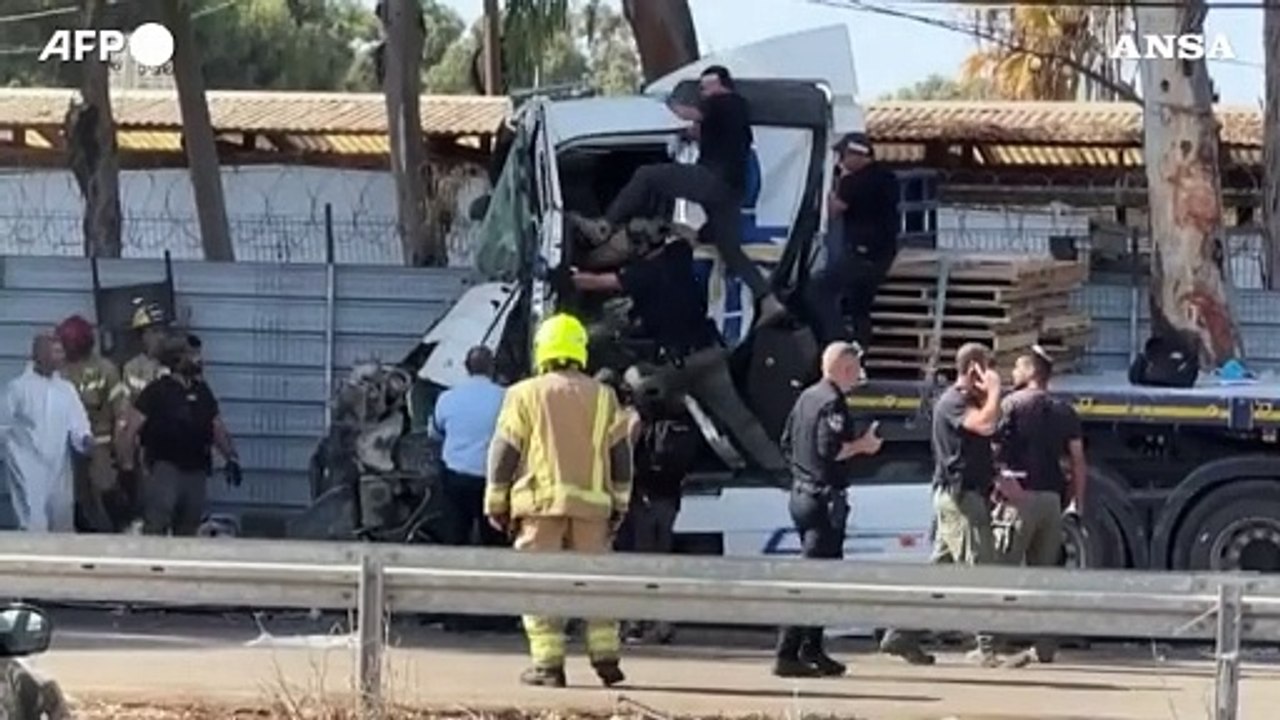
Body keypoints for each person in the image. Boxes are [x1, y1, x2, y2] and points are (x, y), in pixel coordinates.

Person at [484, 314, 633, 689]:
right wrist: (621, 503)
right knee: (597, 583)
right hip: (592, 509)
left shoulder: (524, 394)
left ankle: (548, 666)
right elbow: (621, 455)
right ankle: (606, 656)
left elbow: (504, 451)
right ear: (580, 350)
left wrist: (495, 500)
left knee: (539, 583)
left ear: (542, 350)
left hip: (540, 508)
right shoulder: (604, 397)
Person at [574, 65, 787, 327]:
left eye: (706, 85)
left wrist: (662, 105)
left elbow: (688, 114)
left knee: (647, 175)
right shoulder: (733, 115)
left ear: (721, 83)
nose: (703, 90)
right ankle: (767, 299)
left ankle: (603, 224)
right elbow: (703, 131)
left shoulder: (725, 101)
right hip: (731, 192)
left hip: (712, 180)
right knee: (730, 250)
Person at [572, 222, 786, 473]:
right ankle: (779, 470)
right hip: (710, 354)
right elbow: (690, 236)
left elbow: (596, 283)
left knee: (632, 398)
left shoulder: (640, 275)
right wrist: (667, 226)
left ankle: (614, 470)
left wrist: (566, 275)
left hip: (676, 369)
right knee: (741, 420)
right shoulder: (679, 255)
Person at [880, 342, 1003, 667]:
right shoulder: (953, 402)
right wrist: (994, 390)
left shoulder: (967, 401)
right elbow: (982, 424)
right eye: (987, 367)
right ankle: (987, 647)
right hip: (960, 499)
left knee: (939, 573)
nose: (992, 374)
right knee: (983, 571)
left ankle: (901, 635)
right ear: (974, 368)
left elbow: (990, 424)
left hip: (961, 497)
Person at [774, 341, 883, 678]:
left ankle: (813, 648)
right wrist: (863, 446)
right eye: (855, 369)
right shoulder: (832, 402)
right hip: (822, 500)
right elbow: (830, 449)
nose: (857, 376)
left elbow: (787, 443)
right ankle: (787, 653)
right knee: (812, 579)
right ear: (845, 368)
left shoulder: (806, 397)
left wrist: (802, 474)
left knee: (822, 577)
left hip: (802, 495)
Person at [993, 346, 1087, 667]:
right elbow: (1077, 461)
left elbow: (994, 450)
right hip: (1051, 502)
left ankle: (993, 644)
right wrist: (1074, 501)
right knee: (1045, 577)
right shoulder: (1065, 411)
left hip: (1020, 499)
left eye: (1018, 368)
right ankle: (1045, 646)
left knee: (1001, 572)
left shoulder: (1011, 405)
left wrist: (1002, 484)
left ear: (1031, 372)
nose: (1013, 374)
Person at [116, 335, 242, 537]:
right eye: (192, 355)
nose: (199, 359)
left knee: (189, 528)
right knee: (158, 521)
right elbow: (131, 429)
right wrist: (127, 467)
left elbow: (216, 426)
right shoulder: (156, 391)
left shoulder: (202, 391)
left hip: (197, 470)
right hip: (165, 468)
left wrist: (231, 457)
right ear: (177, 359)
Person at [430, 345, 509, 632]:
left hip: (455, 479)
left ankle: (454, 615)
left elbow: (435, 432)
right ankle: (497, 616)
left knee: (456, 544)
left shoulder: (447, 399)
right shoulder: (505, 398)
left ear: (465, 367)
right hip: (493, 481)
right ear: (492, 368)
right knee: (496, 546)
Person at [807, 132, 901, 347]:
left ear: (856, 154)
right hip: (884, 255)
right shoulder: (888, 177)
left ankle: (838, 344)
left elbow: (833, 211)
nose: (841, 161)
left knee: (817, 291)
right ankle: (860, 356)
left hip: (859, 252)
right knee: (860, 308)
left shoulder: (853, 182)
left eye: (843, 155)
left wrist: (829, 188)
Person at [0, 333, 95, 533]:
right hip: (26, 465)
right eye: (56, 352)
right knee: (34, 518)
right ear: (40, 354)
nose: (61, 357)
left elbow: (77, 420)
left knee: (61, 516)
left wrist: (84, 438)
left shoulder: (66, 389)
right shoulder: (18, 388)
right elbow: (4, 423)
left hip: (58, 465)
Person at [54, 315, 123, 533]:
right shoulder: (58, 372)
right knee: (71, 501)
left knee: (104, 498)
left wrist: (120, 450)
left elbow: (120, 410)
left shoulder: (105, 370)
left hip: (99, 447)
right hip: (65, 452)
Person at [112, 298, 170, 530]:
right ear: (141, 336)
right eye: (154, 331)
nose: (160, 337)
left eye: (163, 331)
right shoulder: (132, 368)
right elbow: (125, 415)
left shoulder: (178, 364)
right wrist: (125, 460)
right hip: (146, 450)